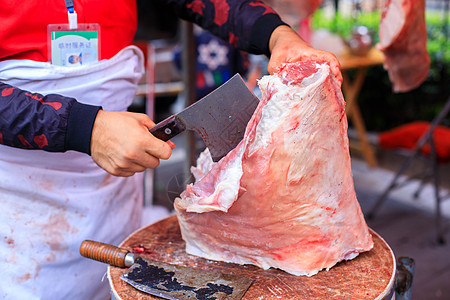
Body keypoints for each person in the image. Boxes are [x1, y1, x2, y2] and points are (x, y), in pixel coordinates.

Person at [0, 0, 342, 299]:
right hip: (15, 206)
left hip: (112, 195)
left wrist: (277, 34)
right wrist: (85, 128)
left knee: (117, 286)